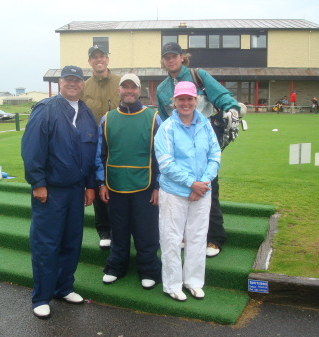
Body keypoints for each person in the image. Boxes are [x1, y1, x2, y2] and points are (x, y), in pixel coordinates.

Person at [21, 65, 98, 319]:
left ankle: (64, 287)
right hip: (51, 191)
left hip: (77, 191)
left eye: (77, 79)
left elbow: (90, 155)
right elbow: (32, 149)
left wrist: (90, 185)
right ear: (60, 82)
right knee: (46, 243)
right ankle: (41, 296)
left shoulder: (86, 113)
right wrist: (38, 183)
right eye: (68, 79)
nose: (73, 83)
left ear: (83, 83)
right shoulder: (46, 109)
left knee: (71, 241)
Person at [157, 42, 240, 258]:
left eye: (174, 56)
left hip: (203, 139)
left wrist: (233, 109)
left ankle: (214, 238)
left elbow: (221, 95)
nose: (171, 60)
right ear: (163, 61)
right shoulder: (162, 89)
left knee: (208, 186)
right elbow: (166, 120)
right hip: (179, 146)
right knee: (181, 189)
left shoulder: (198, 75)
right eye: (167, 57)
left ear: (182, 57)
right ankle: (185, 235)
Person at [155, 81, 221, 301]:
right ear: (174, 102)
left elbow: (215, 156)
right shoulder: (166, 128)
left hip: (202, 191)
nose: (185, 103)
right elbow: (165, 163)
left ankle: (193, 282)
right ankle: (172, 285)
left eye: (189, 99)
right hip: (174, 193)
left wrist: (202, 183)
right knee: (171, 238)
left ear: (196, 100)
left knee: (197, 237)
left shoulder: (205, 125)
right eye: (181, 99)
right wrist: (192, 184)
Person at [98, 73, 162, 289]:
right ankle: (116, 266)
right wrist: (101, 183)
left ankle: (149, 269)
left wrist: (158, 186)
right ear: (119, 91)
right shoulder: (107, 119)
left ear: (139, 90)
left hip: (145, 185)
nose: (129, 91)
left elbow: (160, 156)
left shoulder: (153, 117)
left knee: (146, 230)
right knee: (119, 229)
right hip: (115, 185)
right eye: (124, 87)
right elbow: (101, 155)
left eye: (132, 87)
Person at [81, 45, 121, 249]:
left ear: (107, 59)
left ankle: (121, 228)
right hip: (93, 144)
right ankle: (104, 229)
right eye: (94, 57)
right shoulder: (84, 86)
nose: (98, 60)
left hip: (118, 143)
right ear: (89, 61)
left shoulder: (120, 82)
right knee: (98, 183)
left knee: (119, 185)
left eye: (102, 56)